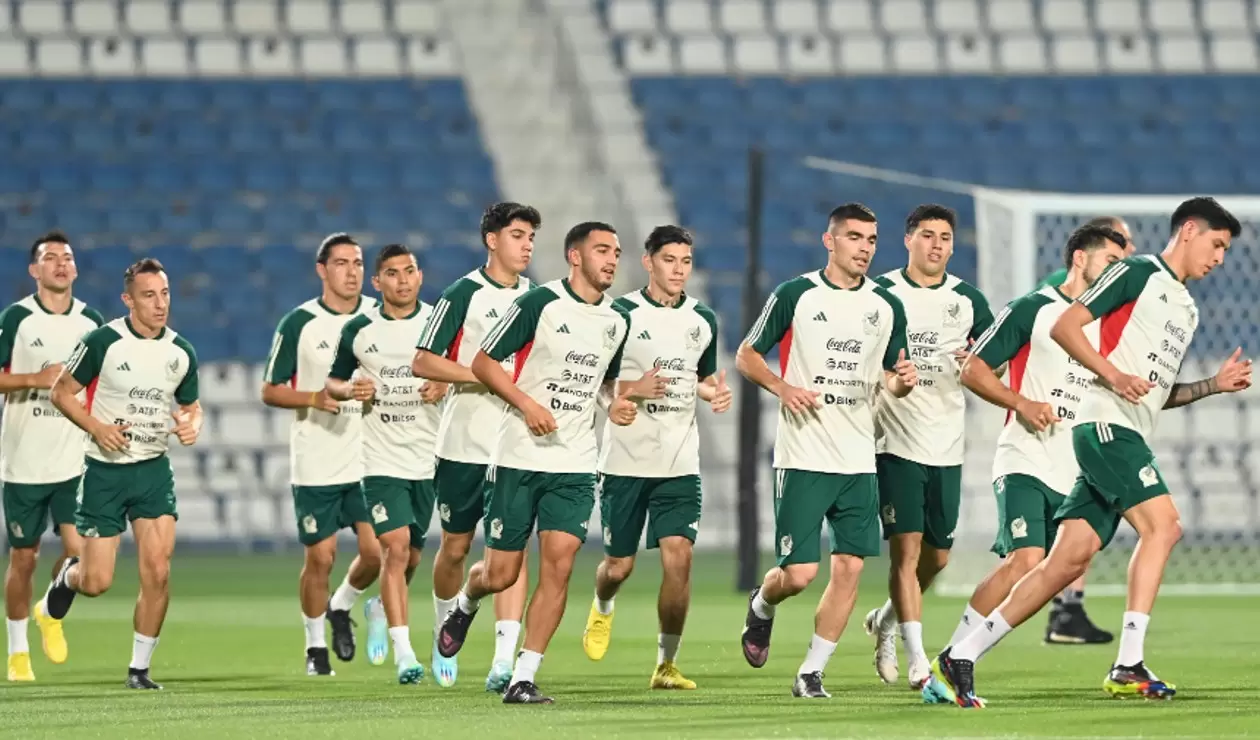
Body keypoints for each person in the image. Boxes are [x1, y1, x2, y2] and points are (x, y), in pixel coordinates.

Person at [932, 197, 1249, 707]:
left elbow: (1156, 392)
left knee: (1064, 563)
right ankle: (1128, 663)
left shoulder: (1186, 309)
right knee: (1164, 526)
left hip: (1123, 431)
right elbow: (1065, 327)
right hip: (1104, 427)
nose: (1219, 259)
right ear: (1189, 231)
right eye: (1217, 245)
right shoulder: (1137, 273)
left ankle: (959, 657)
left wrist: (1213, 384)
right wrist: (1111, 374)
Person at [922, 223, 1127, 704]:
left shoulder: (1112, 325)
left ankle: (953, 662)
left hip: (1078, 470)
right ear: (1081, 259)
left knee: (1049, 571)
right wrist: (1023, 403)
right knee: (1026, 560)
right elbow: (973, 368)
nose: (1116, 275)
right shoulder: (1032, 309)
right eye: (1110, 263)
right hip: (1025, 459)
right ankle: (953, 661)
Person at [434, 221, 637, 704]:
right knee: (500, 573)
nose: (612, 260)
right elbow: (483, 363)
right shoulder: (538, 304)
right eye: (602, 250)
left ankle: (524, 675)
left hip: (575, 461)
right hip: (517, 456)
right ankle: (465, 603)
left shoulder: (617, 320)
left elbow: (604, 383)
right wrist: (527, 405)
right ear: (575, 256)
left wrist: (615, 404)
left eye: (617, 252)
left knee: (560, 567)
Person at [736, 203, 918, 699]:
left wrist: (902, 384)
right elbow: (747, 355)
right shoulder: (796, 294)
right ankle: (762, 606)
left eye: (872, 240)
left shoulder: (885, 306)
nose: (865, 248)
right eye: (855, 237)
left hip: (859, 456)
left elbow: (890, 380)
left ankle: (811, 672)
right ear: (830, 241)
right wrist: (783, 388)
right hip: (803, 455)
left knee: (852, 567)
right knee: (798, 574)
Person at [580, 225, 731, 689]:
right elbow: (596, 380)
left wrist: (712, 393)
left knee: (679, 559)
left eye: (686, 261)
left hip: (680, 463)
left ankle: (666, 664)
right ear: (648, 263)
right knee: (618, 567)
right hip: (626, 461)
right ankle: (603, 605)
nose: (679, 270)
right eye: (670, 261)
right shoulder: (618, 313)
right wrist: (624, 397)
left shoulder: (703, 319)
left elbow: (698, 377)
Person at [40, 258, 200, 690]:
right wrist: (97, 428)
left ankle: (139, 669)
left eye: (165, 293)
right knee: (97, 583)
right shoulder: (103, 341)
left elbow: (191, 405)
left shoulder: (181, 352)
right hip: (104, 475)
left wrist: (191, 423)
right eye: (149, 295)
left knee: (159, 571)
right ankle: (68, 575)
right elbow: (60, 392)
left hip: (152, 473)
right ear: (128, 300)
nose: (160, 303)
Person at [863, 204, 994, 689]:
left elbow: (992, 367)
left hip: (947, 444)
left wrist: (977, 362)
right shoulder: (880, 293)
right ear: (908, 240)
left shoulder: (968, 299)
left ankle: (886, 619)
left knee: (937, 559)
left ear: (953, 245)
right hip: (895, 441)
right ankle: (917, 657)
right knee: (906, 551)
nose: (936, 244)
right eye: (927, 235)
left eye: (944, 237)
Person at [412, 202, 540, 690]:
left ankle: (504, 660)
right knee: (455, 548)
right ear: (492, 240)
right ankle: (447, 622)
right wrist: (481, 375)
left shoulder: (541, 300)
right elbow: (422, 360)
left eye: (531, 237)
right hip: (463, 443)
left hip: (514, 448)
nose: (527, 245)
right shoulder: (463, 293)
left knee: (512, 552)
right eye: (517, 235)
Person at [261, 233, 381, 676]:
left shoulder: (378, 315)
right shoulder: (300, 323)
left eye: (359, 263)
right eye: (343, 263)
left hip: (370, 457)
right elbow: (270, 389)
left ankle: (340, 605)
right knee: (321, 557)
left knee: (376, 553)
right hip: (317, 459)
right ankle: (315, 649)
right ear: (322, 270)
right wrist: (313, 397)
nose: (353, 272)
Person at [325, 244, 441, 683]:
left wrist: (442, 386)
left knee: (412, 557)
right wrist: (349, 389)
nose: (403, 280)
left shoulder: (437, 321)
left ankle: (377, 606)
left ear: (420, 275)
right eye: (392, 273)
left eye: (409, 271)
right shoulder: (360, 328)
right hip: (381, 460)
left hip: (427, 460)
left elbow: (463, 368)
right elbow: (333, 381)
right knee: (393, 548)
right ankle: (405, 654)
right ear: (378, 283)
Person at [2, 232, 103, 682]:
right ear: (34, 270)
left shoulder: (92, 322)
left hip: (73, 460)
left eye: (68, 257)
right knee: (24, 557)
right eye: (50, 258)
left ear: (76, 269)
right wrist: (34, 378)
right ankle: (18, 650)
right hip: (23, 459)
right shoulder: (17, 319)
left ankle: (51, 608)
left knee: (82, 554)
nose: (61, 264)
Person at [1035, 215, 1133, 646]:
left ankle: (1067, 610)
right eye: (1118, 245)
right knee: (1041, 545)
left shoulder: (1111, 288)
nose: (1127, 252)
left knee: (1073, 525)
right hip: (1061, 418)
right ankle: (1061, 611)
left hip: (1085, 412)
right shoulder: (1072, 288)